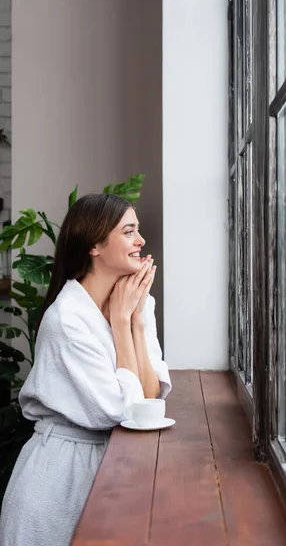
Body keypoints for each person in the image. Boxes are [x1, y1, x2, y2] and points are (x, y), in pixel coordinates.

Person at [0, 193, 171, 546]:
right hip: (58, 480)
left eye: (138, 231)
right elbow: (120, 411)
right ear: (95, 245)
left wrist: (135, 323)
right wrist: (121, 323)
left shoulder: (138, 301)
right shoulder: (67, 319)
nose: (141, 241)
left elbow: (149, 398)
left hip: (110, 468)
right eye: (129, 232)